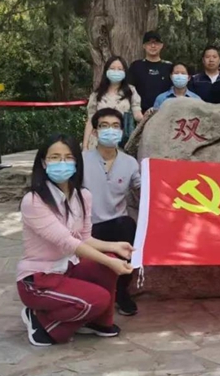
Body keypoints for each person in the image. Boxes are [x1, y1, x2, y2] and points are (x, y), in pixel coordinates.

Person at [16, 134, 134, 346]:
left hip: (67, 269)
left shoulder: (83, 196)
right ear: (43, 162)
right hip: (39, 278)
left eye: (68, 157)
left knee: (107, 262)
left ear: (77, 162)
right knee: (98, 299)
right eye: (54, 157)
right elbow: (67, 242)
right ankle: (41, 320)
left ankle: (96, 322)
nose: (62, 163)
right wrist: (111, 262)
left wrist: (114, 247)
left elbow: (85, 238)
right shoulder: (33, 201)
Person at [82, 109, 141, 316]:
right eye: (104, 126)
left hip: (117, 224)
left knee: (128, 225)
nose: (110, 130)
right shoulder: (81, 161)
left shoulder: (129, 162)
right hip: (88, 226)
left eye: (115, 126)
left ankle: (122, 292)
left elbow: (143, 188)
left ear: (122, 131)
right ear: (95, 131)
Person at [83, 56, 142, 151]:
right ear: (106, 71)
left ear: (125, 72)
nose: (116, 71)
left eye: (119, 69)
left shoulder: (131, 91)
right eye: (112, 68)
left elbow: (137, 114)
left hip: (121, 140)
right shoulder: (97, 94)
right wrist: (85, 146)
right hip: (98, 140)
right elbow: (90, 120)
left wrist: (147, 117)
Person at [128, 31, 173, 112]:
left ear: (161, 45)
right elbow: (130, 89)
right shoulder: (136, 66)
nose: (153, 46)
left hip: (164, 112)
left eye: (156, 43)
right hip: (140, 112)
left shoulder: (169, 67)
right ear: (144, 46)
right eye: (149, 43)